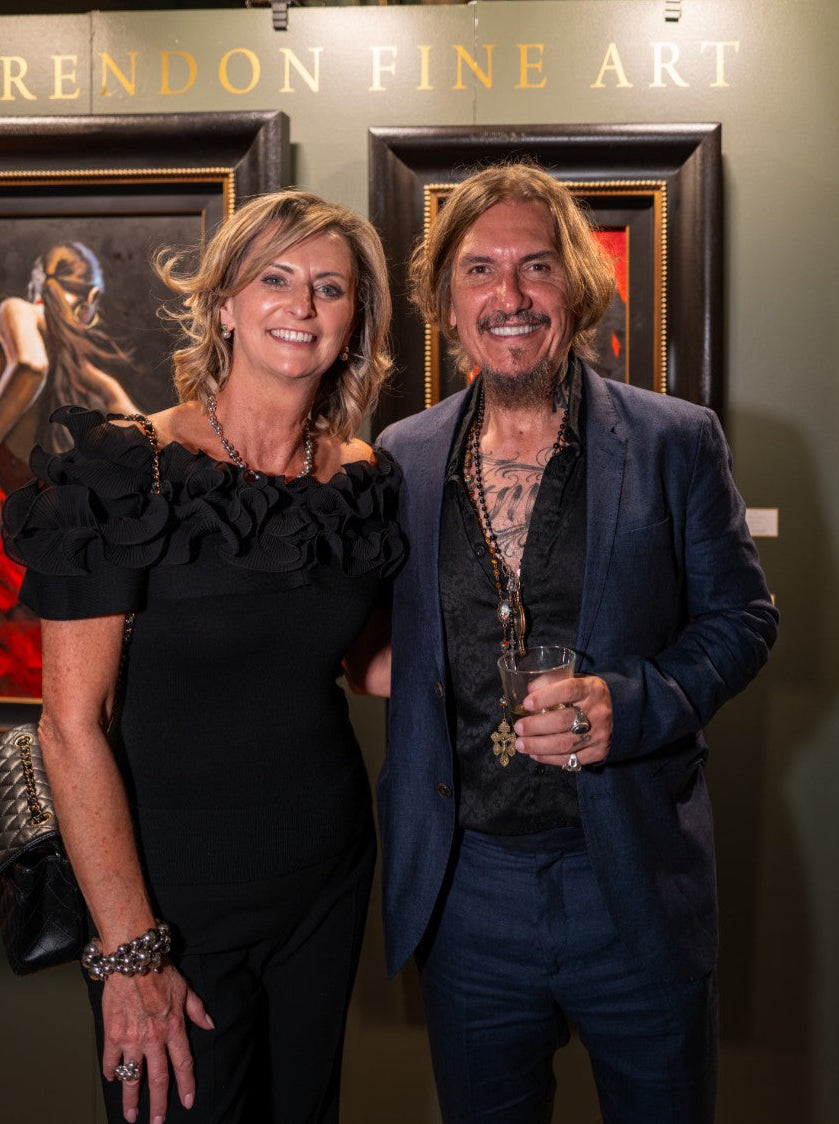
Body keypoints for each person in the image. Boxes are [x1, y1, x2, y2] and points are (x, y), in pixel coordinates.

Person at [370, 163, 778, 1124]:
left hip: (632, 880)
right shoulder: (400, 457)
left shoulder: (677, 439)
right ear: (446, 302)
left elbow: (743, 620)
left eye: (537, 266)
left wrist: (627, 704)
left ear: (578, 287)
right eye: (478, 270)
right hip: (465, 891)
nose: (508, 295)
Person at [2, 190, 404, 1124]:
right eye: (274, 279)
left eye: (329, 287)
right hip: (167, 903)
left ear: (354, 320)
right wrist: (129, 951)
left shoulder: (360, 478)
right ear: (224, 305)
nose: (301, 305)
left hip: (325, 882)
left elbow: (373, 668)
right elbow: (70, 728)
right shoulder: (126, 469)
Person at [0, 241, 139, 453]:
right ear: (92, 297)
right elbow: (32, 366)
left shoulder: (66, 354)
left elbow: (33, 367)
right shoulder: (21, 311)